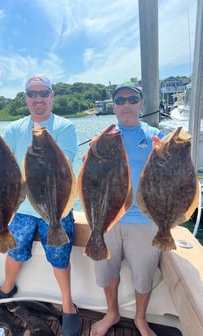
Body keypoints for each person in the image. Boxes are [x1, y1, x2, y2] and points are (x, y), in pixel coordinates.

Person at [0, 74, 81, 336]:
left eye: (43, 93)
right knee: (15, 251)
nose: (38, 99)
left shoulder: (65, 127)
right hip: (22, 208)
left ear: (52, 96)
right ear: (26, 98)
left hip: (56, 206)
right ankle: (6, 288)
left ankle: (68, 306)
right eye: (33, 94)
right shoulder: (14, 129)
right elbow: (5, 165)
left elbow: (64, 167)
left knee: (59, 257)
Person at [90, 82, 165, 336]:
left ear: (140, 104)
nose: (126, 105)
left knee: (143, 275)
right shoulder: (105, 137)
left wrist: (164, 153)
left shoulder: (156, 135)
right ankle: (112, 313)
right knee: (107, 270)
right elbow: (90, 180)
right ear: (113, 107)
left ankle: (140, 320)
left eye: (132, 99)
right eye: (120, 101)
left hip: (145, 219)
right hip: (108, 218)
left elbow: (173, 173)